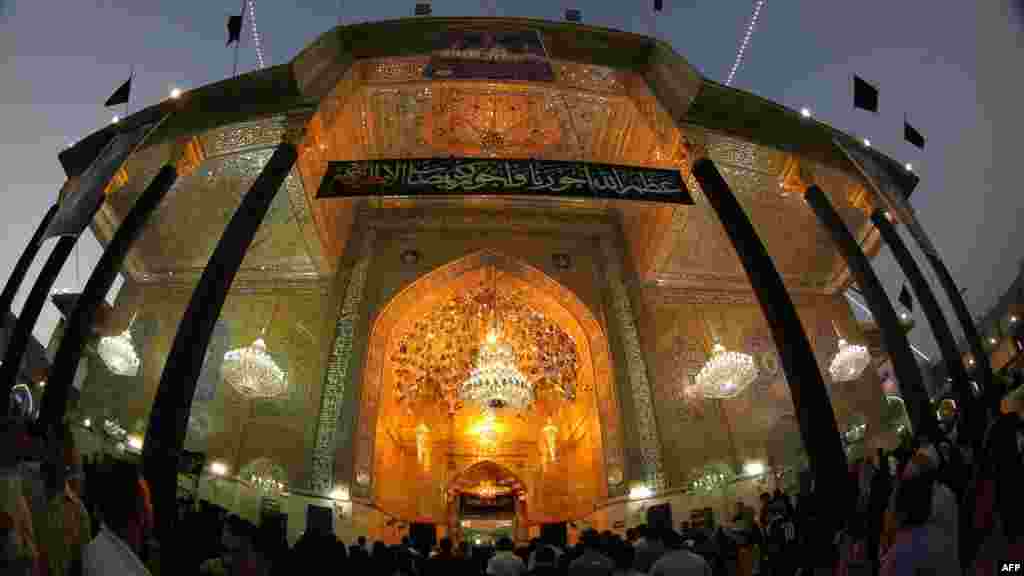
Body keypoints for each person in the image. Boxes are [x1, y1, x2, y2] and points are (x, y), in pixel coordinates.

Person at [82, 461, 151, 575]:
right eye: (149, 501)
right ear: (140, 510)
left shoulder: (94, 549)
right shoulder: (127, 571)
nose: (151, 507)